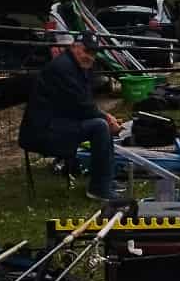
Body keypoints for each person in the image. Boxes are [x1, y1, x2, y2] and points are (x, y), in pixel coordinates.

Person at [19, 29, 124, 203]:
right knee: (100, 126)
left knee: (101, 124)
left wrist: (106, 116)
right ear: (75, 46)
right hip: (43, 130)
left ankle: (106, 180)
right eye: (86, 51)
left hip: (59, 121)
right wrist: (107, 119)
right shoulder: (63, 68)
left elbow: (84, 102)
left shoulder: (78, 66)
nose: (90, 57)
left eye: (93, 53)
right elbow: (81, 106)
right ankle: (99, 189)